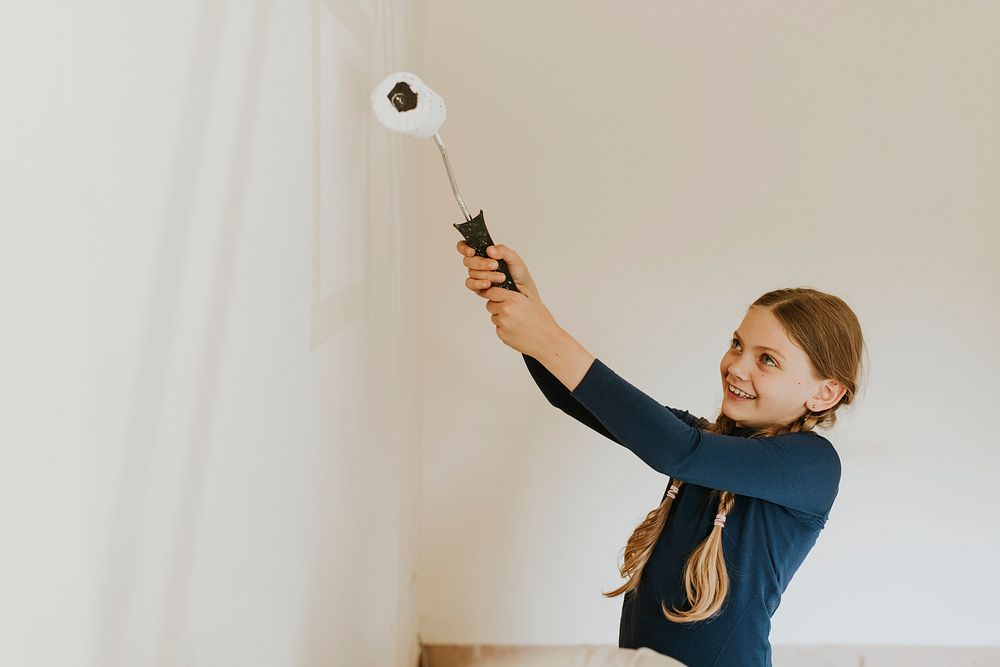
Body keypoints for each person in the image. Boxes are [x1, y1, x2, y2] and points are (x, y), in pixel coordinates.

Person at [455, 240, 866, 667]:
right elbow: (574, 397)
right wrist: (525, 307)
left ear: (826, 392)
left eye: (768, 360)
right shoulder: (701, 442)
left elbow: (676, 451)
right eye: (737, 344)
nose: (737, 366)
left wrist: (547, 336)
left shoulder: (811, 464)